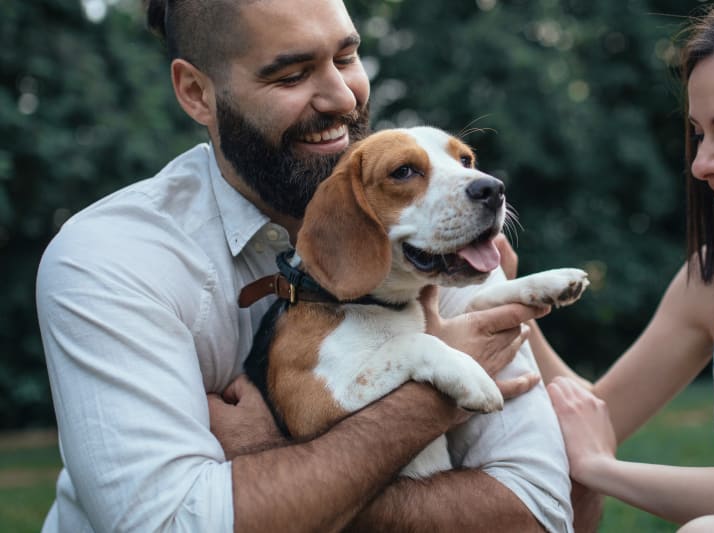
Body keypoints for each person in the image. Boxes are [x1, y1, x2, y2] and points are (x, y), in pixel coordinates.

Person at [35, 0, 576, 531]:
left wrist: (263, 457)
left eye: (346, 58)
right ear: (198, 93)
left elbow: (541, 512)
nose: (343, 97)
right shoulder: (110, 260)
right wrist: (426, 406)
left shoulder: (433, 232)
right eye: (291, 75)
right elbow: (169, 525)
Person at [528, 0, 714, 531]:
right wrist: (506, 300)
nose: (702, 164)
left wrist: (604, 471)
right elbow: (594, 417)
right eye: (699, 135)